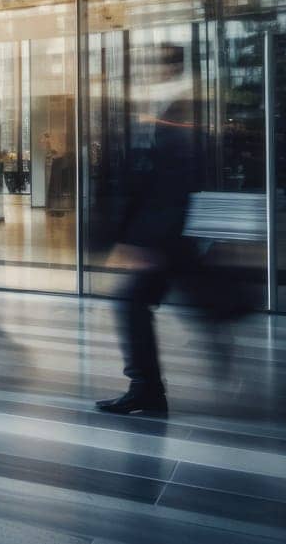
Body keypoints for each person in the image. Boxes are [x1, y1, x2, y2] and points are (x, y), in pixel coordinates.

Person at [95, 45, 205, 415]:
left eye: (155, 63)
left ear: (173, 66)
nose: (147, 71)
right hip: (159, 234)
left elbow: (177, 182)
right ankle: (147, 387)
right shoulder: (160, 109)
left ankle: (147, 389)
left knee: (130, 303)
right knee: (136, 303)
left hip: (164, 236)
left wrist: (149, 241)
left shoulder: (182, 111)